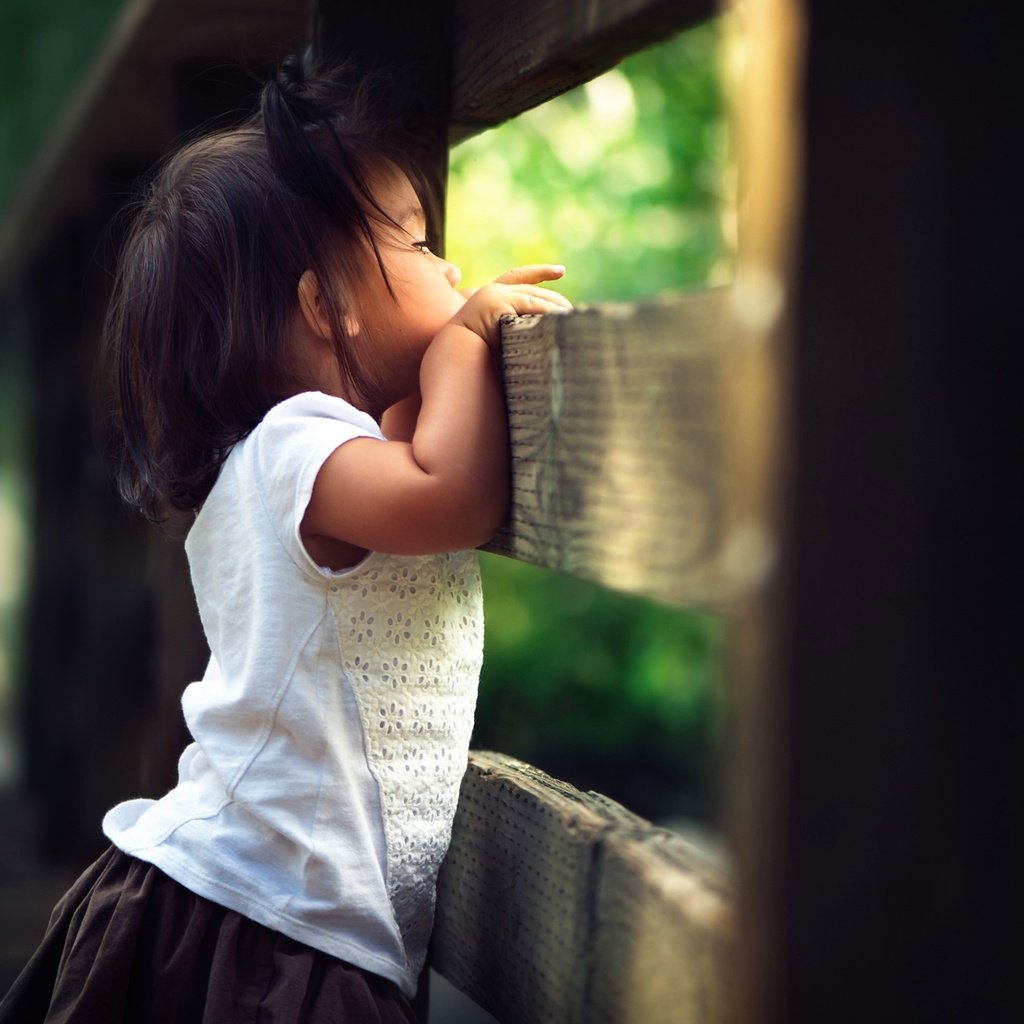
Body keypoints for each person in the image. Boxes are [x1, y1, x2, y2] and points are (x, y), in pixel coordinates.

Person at [0, 54, 570, 1023]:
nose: (454, 270)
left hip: (271, 912)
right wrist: (468, 340)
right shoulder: (293, 450)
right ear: (326, 306)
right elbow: (451, 493)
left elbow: (413, 453)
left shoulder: (313, 454)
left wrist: (439, 357)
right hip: (259, 929)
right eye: (423, 245)